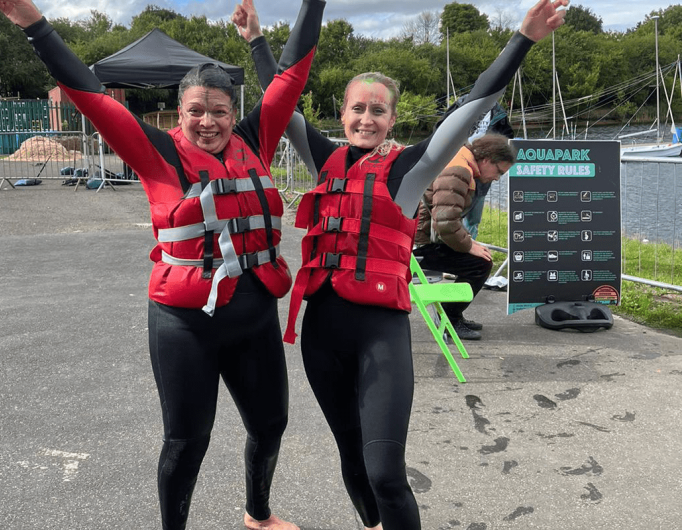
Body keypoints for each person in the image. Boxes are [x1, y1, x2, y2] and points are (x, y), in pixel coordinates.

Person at [234, 0, 566, 528]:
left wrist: (522, 38)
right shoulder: (324, 159)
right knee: (353, 463)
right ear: (342, 115)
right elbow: (282, 99)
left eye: (378, 110)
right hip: (322, 335)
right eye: (357, 109)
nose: (366, 119)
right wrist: (256, 41)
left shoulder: (412, 167)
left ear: (392, 118)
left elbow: (473, 103)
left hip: (380, 333)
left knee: (386, 471)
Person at [0, 1, 325, 529]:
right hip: (185, 323)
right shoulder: (155, 152)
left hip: (254, 314)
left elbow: (292, 72)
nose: (208, 121)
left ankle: (259, 515)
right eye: (196, 110)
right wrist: (34, 25)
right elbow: (90, 95)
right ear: (178, 112)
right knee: (187, 440)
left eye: (219, 110)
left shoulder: (256, 139)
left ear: (232, 110)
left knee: (271, 425)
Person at [413, 133, 516, 340]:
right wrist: (469, 245)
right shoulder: (459, 170)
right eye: (499, 172)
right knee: (480, 264)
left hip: (422, 237)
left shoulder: (460, 159)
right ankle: (449, 319)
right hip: (419, 246)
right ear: (486, 160)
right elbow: (445, 222)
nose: (497, 178)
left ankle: (451, 313)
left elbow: (446, 217)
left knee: (479, 259)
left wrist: (468, 241)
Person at [440, 96, 516, 239]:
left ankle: (470, 244)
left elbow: (507, 138)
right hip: (459, 162)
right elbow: (441, 130)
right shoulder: (462, 105)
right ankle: (461, 248)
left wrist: (494, 153)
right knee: (452, 212)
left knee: (473, 217)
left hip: (483, 170)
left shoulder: (499, 113)